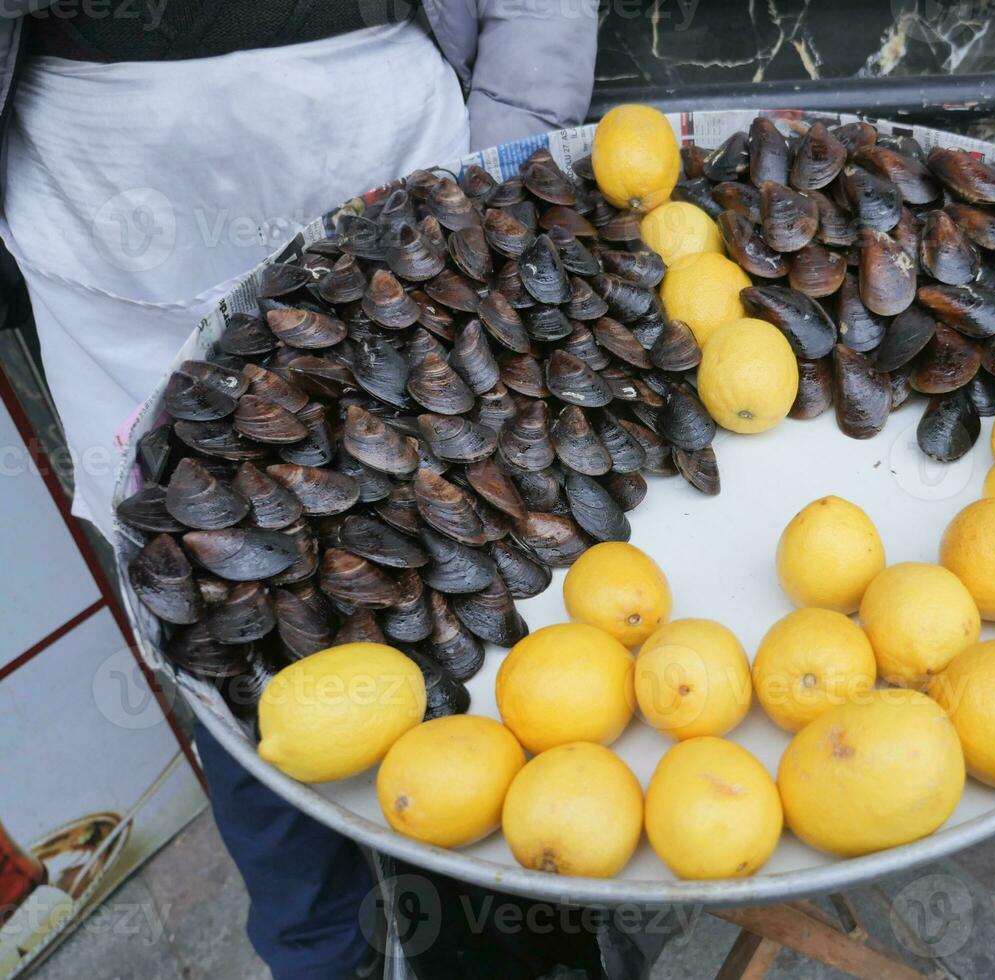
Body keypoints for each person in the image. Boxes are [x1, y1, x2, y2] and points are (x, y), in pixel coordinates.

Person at [0, 3, 602, 977]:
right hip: (108, 230)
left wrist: (495, 170)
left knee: (472, 630)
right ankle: (322, 953)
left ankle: (504, 946)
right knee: (232, 652)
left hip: (401, 187)